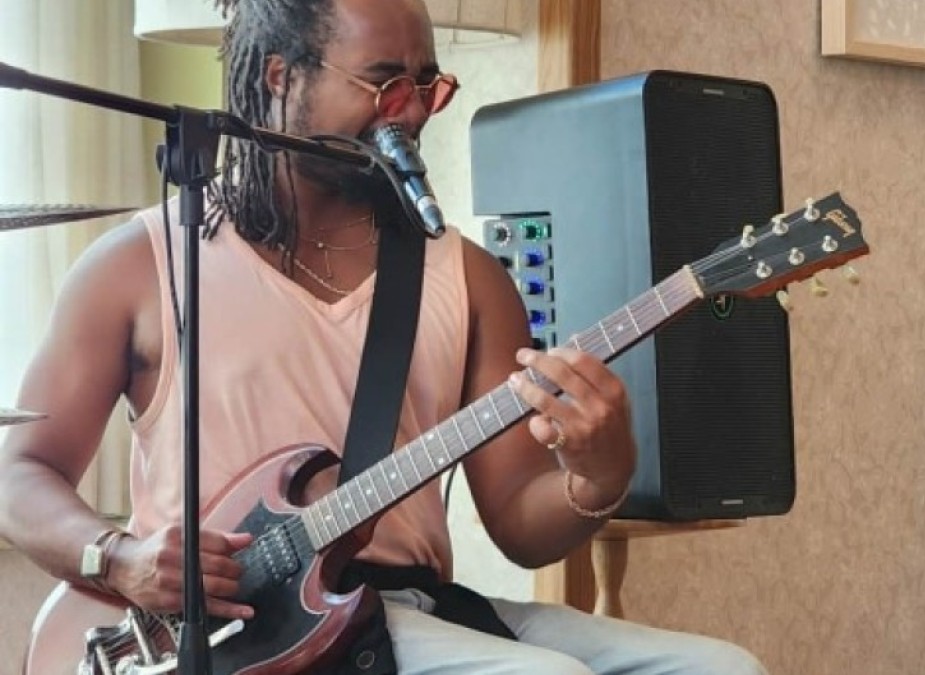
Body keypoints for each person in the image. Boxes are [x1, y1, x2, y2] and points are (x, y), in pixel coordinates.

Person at [0, 0, 768, 673]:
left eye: (427, 84)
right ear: (279, 77)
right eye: (382, 82)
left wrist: (596, 477)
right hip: (238, 631)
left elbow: (522, 531)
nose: (410, 109)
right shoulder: (143, 264)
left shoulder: (466, 277)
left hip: (408, 608)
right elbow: (19, 472)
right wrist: (119, 557)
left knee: (723, 666)